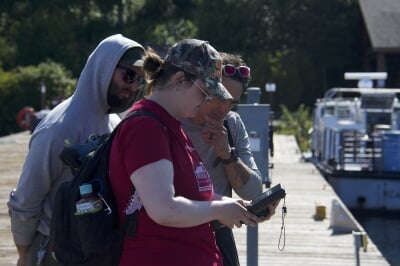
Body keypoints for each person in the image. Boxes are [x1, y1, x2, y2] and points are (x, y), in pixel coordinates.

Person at [108, 39, 263, 266]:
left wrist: (232, 207)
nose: (206, 101)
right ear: (180, 80)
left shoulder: (170, 125)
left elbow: (191, 195)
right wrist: (220, 208)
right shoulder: (145, 127)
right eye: (205, 92)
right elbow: (164, 209)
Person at [7, 34, 146, 266]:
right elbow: (26, 201)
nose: (133, 87)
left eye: (140, 81)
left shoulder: (113, 122)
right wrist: (24, 256)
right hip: (55, 251)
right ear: (104, 69)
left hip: (95, 248)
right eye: (129, 75)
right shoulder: (58, 128)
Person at [181, 53, 278, 266]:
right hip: (176, 234)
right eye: (219, 97)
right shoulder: (174, 120)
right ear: (202, 87)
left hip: (218, 234)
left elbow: (253, 191)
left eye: (232, 102)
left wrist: (227, 154)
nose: (224, 109)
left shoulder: (232, 124)